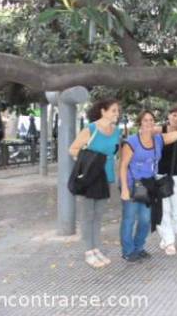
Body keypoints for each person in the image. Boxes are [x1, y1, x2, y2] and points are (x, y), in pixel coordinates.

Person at [119, 109, 177, 262]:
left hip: (149, 184)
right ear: (140, 123)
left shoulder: (158, 140)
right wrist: (124, 188)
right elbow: (123, 165)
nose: (149, 123)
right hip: (131, 184)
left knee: (145, 219)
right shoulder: (131, 141)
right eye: (145, 120)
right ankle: (128, 251)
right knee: (129, 219)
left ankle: (139, 248)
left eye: (151, 120)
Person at [69, 98, 121, 268]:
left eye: (118, 111)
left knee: (98, 216)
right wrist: (89, 162)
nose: (117, 114)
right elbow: (73, 149)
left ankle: (96, 248)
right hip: (90, 179)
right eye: (113, 110)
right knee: (87, 216)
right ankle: (88, 251)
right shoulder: (91, 129)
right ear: (103, 111)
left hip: (106, 177)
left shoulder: (116, 131)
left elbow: (114, 153)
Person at [155, 104, 177, 255]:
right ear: (168, 115)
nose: (176, 118)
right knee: (164, 211)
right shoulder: (157, 130)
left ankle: (167, 235)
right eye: (174, 115)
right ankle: (169, 242)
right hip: (160, 176)